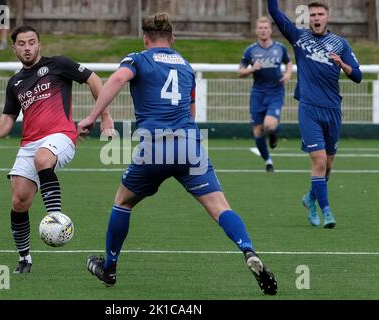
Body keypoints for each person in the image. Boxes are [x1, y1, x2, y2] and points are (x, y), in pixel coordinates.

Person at [78, 12, 277, 295]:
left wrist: (92, 117)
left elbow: (118, 79)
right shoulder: (185, 66)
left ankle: (109, 268)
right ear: (171, 39)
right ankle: (247, 251)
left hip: (154, 148)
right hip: (189, 146)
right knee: (221, 208)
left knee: (123, 202)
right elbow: (191, 112)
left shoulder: (138, 58)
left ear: (146, 38)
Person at [0, 25, 114, 273]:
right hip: (29, 143)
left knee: (43, 159)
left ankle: (56, 220)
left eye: (31, 42)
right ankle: (24, 259)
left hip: (61, 136)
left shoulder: (58, 64)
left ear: (39, 44)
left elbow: (94, 79)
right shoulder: (15, 82)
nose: (27, 47)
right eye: (21, 44)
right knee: (19, 201)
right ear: (14, 48)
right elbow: (9, 117)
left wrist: (104, 116)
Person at [267, 0, 362, 228]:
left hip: (333, 111)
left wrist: (343, 64)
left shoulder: (340, 44)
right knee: (318, 161)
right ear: (308, 18)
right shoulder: (299, 38)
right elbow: (274, 12)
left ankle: (310, 198)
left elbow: (357, 76)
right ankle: (326, 210)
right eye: (313, 15)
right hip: (309, 109)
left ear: (327, 18)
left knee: (328, 166)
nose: (317, 18)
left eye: (320, 14)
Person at [238, 16, 293, 173]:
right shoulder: (250, 50)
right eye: (260, 28)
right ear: (256, 31)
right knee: (258, 131)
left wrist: (288, 74)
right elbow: (240, 72)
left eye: (265, 28)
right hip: (258, 94)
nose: (263, 30)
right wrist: (251, 69)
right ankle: (268, 160)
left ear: (270, 30)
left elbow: (288, 62)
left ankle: (274, 133)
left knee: (268, 125)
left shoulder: (279, 48)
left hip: (275, 92)